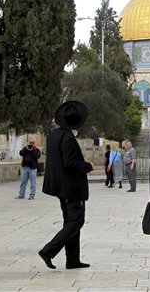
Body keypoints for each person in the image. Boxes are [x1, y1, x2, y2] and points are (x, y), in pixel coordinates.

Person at [39, 101, 94, 270]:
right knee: (76, 221)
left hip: (60, 187)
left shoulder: (55, 134)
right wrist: (87, 166)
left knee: (70, 222)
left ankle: (72, 260)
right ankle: (48, 250)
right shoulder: (68, 137)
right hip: (71, 188)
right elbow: (70, 163)